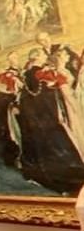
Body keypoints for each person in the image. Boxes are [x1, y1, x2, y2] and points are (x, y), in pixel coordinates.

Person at [17, 48, 84, 194]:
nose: (45, 56)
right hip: (48, 119)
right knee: (59, 147)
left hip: (35, 122)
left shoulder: (26, 75)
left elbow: (28, 99)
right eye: (42, 54)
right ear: (36, 57)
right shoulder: (41, 73)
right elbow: (50, 93)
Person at [0, 51, 24, 167]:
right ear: (9, 61)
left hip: (22, 105)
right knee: (13, 132)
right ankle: (15, 158)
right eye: (13, 58)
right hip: (11, 108)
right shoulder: (7, 75)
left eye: (16, 57)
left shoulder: (22, 71)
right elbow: (4, 94)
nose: (15, 60)